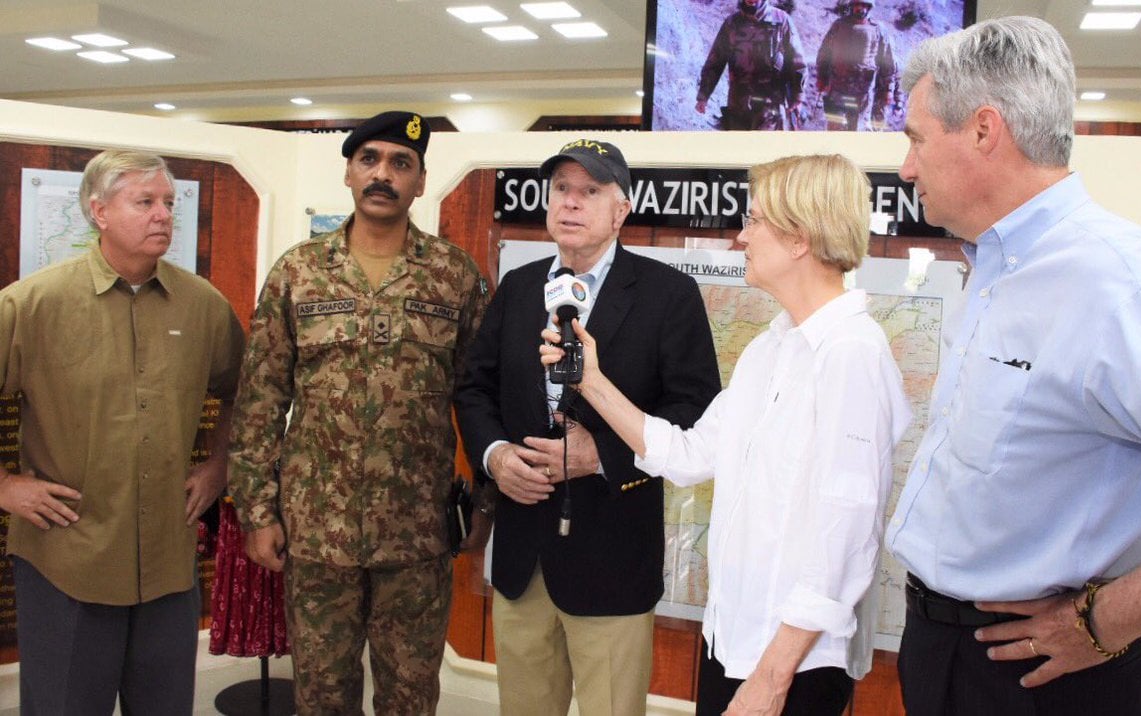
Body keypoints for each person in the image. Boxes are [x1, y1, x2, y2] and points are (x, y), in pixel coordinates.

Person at [884, 16, 1141, 715]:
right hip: (942, 652)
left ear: (983, 130)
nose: (905, 168)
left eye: (914, 138)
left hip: (1043, 674)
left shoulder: (1122, 285)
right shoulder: (995, 269)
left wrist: (1106, 618)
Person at [539, 154, 911, 716]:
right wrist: (590, 381)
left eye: (755, 221)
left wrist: (771, 678)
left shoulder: (851, 355)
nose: (741, 236)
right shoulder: (770, 347)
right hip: (731, 645)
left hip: (794, 667)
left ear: (799, 238)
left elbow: (845, 539)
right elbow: (687, 455)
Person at [227, 110, 488, 715]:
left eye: (401, 164)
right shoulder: (298, 271)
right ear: (348, 172)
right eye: (369, 159)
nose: (383, 174)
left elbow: (479, 399)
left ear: (420, 182)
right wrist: (258, 512)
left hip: (417, 535)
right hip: (318, 534)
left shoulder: (455, 278)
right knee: (321, 697)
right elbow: (262, 400)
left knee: (411, 698)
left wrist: (486, 502)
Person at [453, 139, 722, 716]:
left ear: (621, 210)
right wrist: (497, 456)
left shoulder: (668, 295)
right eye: (562, 190)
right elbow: (475, 387)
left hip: (613, 560)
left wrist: (600, 454)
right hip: (523, 556)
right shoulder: (520, 289)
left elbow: (695, 413)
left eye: (591, 191)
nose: (571, 204)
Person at [0, 149, 244, 714]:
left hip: (167, 562)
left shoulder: (203, 306)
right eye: (145, 202)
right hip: (67, 560)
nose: (163, 214)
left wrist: (217, 465)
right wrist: (6, 487)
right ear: (99, 211)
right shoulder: (32, 305)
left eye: (168, 202)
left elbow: (244, 394)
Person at [695, 0, 807, 130]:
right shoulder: (731, 23)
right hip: (738, 105)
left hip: (770, 106)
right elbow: (715, 61)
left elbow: (798, 61)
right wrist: (703, 96)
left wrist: (798, 97)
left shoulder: (782, 21)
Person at [815, 0, 898, 131]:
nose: (859, 8)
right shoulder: (839, 26)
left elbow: (888, 62)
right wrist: (821, 77)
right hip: (837, 89)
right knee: (834, 130)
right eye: (856, 5)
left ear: (869, 7)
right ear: (852, 6)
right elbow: (824, 53)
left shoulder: (878, 30)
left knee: (857, 132)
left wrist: (888, 90)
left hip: (863, 93)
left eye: (863, 5)